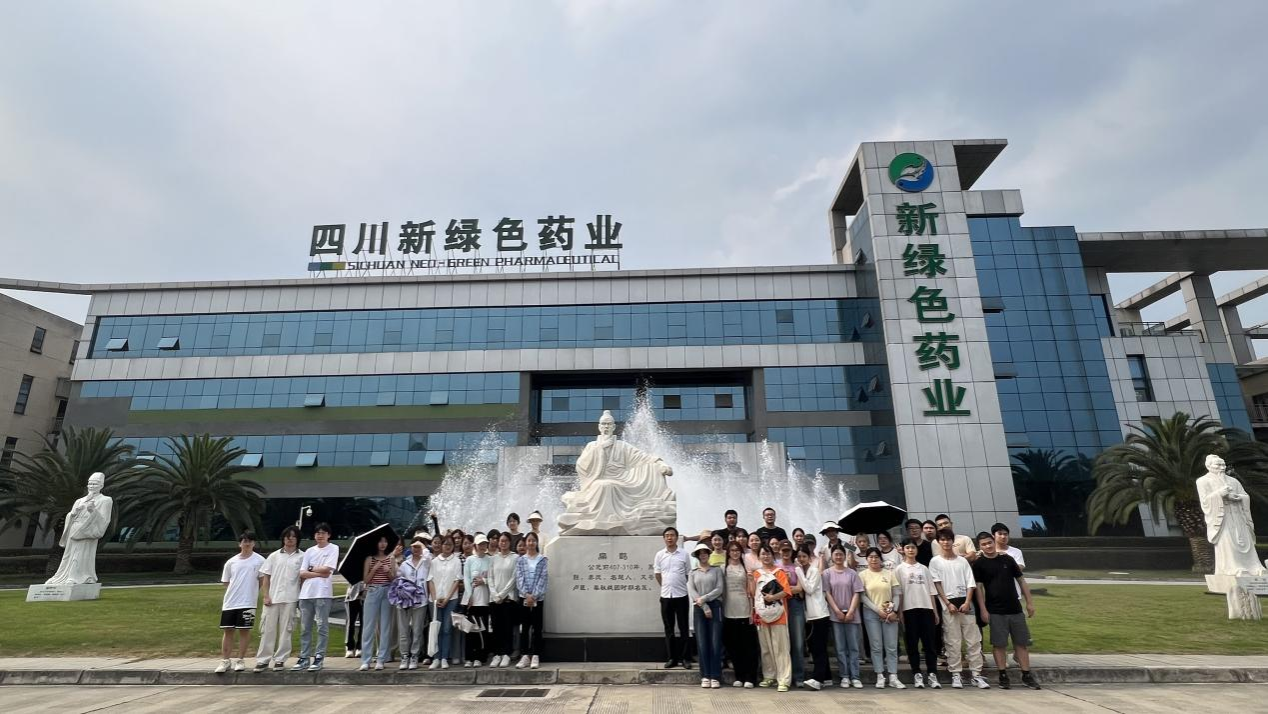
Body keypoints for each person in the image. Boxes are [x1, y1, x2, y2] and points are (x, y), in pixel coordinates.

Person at [973, 532, 1040, 690]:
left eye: (989, 542)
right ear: (980, 547)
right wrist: (983, 610)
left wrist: (1029, 603)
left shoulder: (1008, 560)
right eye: (984, 544)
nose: (988, 546)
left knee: (1021, 643)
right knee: (999, 644)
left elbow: (1021, 581)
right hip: (995, 610)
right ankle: (1003, 675)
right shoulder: (979, 564)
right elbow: (979, 588)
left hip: (1015, 609)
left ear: (993, 542)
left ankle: (1026, 675)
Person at [928, 528, 988, 689]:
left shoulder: (962, 561)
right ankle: (956, 673)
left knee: (973, 641)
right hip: (949, 606)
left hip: (966, 604)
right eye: (942, 539)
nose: (946, 542)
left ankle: (976, 674)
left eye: (948, 539)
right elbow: (937, 584)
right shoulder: (935, 562)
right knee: (952, 641)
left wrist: (967, 602)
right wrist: (947, 603)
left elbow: (970, 583)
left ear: (952, 541)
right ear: (938, 542)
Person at [1198, 454, 1267, 576]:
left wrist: (1238, 497)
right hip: (1223, 519)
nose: (1222, 467)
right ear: (1209, 466)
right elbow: (1205, 501)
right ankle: (1233, 567)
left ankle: (1253, 566)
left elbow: (1245, 496)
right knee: (1228, 542)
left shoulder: (1233, 481)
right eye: (1218, 465)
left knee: (1245, 541)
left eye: (1223, 464)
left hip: (1238, 517)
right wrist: (1220, 494)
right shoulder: (1203, 481)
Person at [45, 471, 112, 585]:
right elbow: (70, 515)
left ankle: (76, 576)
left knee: (81, 554)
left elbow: (105, 520)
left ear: (101, 485)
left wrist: (93, 511)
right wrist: (73, 514)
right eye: (90, 483)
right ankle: (61, 576)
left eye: (95, 484)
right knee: (68, 555)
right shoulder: (79, 501)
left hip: (87, 531)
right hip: (74, 528)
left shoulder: (105, 500)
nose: (92, 486)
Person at [254, 526, 304, 672]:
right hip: (273, 598)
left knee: (286, 630)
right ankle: (263, 660)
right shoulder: (274, 556)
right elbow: (266, 577)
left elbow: (303, 579)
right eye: (288, 536)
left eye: (293, 536)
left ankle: (280, 659)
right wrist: (266, 596)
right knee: (267, 630)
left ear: (297, 539)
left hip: (291, 598)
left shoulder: (302, 557)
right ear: (283, 538)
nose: (290, 539)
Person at [215, 531, 265, 673]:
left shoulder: (260, 561)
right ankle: (225, 660)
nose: (247, 544)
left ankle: (240, 660)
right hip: (230, 602)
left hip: (248, 602)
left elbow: (262, 580)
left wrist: (251, 592)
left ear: (254, 543)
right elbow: (226, 581)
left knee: (244, 630)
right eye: (244, 541)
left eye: (250, 541)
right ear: (240, 544)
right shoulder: (231, 562)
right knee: (228, 630)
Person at [896, 538, 941, 688]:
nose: (910, 550)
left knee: (929, 644)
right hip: (909, 610)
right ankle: (917, 673)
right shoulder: (899, 569)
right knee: (912, 644)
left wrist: (935, 612)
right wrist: (900, 612)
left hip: (926, 608)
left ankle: (932, 674)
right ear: (903, 550)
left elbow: (931, 591)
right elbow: (899, 593)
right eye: (907, 547)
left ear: (917, 550)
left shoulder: (924, 568)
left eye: (913, 547)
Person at [294, 523, 339, 672]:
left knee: (321, 626)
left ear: (328, 535)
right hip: (306, 594)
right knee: (305, 628)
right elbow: (302, 572)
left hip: (322, 593)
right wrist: (318, 572)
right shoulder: (309, 551)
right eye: (318, 533)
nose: (320, 535)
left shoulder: (333, 548)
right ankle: (304, 657)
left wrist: (311, 569)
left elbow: (328, 570)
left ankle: (319, 657)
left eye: (323, 533)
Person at [858, 547, 903, 689]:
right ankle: (880, 675)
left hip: (889, 613)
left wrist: (893, 610)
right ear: (867, 559)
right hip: (871, 613)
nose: (873, 559)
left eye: (876, 557)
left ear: (880, 558)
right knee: (876, 645)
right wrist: (877, 610)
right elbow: (862, 597)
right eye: (870, 557)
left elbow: (896, 593)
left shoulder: (889, 573)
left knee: (891, 646)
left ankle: (893, 676)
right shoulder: (862, 575)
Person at [822, 545, 864, 688]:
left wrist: (851, 611)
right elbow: (827, 593)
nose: (839, 557)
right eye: (836, 554)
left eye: (841, 554)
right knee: (840, 647)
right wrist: (837, 611)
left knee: (853, 647)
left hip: (852, 614)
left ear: (845, 556)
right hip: (836, 615)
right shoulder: (827, 573)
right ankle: (844, 676)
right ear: (832, 556)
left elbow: (857, 592)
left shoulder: (852, 573)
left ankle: (855, 676)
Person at [752, 545, 792, 692]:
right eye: (763, 554)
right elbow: (753, 593)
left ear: (772, 555)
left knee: (781, 648)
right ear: (759, 556)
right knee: (766, 648)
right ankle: (769, 675)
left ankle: (784, 679)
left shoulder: (779, 572)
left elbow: (786, 591)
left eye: (768, 553)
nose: (766, 556)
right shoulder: (756, 573)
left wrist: (773, 597)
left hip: (779, 615)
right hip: (762, 615)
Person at [722, 541, 759, 688]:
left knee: (748, 647)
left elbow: (751, 592)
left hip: (745, 610)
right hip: (729, 611)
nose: (735, 553)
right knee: (734, 647)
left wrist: (751, 611)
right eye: (732, 550)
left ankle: (750, 677)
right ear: (728, 552)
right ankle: (739, 675)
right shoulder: (723, 568)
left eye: (737, 550)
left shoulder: (746, 567)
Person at [654, 526, 692, 669]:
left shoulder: (684, 554)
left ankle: (685, 658)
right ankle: (672, 658)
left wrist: (678, 584)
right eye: (667, 535)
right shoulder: (659, 555)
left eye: (672, 535)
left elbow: (687, 574)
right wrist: (666, 585)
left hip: (681, 595)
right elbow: (657, 574)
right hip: (666, 596)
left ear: (677, 537)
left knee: (684, 628)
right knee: (669, 629)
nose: (669, 538)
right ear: (664, 538)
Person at [688, 541, 725, 689]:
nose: (703, 555)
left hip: (715, 606)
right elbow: (692, 591)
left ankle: (715, 675)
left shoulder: (716, 571)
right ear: (697, 556)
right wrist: (703, 606)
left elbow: (719, 589)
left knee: (715, 642)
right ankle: (705, 675)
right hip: (699, 608)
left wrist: (704, 599)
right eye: (700, 553)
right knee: (702, 643)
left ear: (709, 554)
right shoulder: (693, 572)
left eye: (705, 553)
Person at [358, 535, 398, 671]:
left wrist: (388, 572)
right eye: (380, 541)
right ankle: (366, 660)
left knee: (385, 626)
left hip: (387, 591)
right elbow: (366, 580)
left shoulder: (391, 559)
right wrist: (374, 569)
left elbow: (394, 579)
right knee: (368, 626)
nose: (383, 544)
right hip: (372, 590)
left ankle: (381, 658)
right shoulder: (369, 559)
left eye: (385, 541)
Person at [796, 545, 831, 691]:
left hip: (820, 614)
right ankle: (827, 678)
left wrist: (798, 572)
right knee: (815, 647)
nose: (801, 559)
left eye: (804, 556)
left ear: (809, 557)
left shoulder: (814, 571)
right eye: (799, 557)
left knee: (818, 648)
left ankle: (818, 679)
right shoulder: (805, 571)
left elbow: (809, 589)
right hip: (810, 616)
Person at [426, 535, 463, 670]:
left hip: (451, 599)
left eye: (450, 544)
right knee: (437, 628)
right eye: (445, 544)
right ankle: (436, 658)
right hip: (435, 600)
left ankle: (444, 658)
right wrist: (435, 598)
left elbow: (457, 581)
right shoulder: (434, 561)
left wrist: (447, 599)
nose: (447, 547)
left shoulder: (456, 561)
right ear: (441, 545)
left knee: (447, 629)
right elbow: (430, 580)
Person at [395, 535, 431, 670]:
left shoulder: (426, 562)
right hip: (405, 601)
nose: (416, 549)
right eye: (414, 546)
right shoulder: (405, 564)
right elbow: (397, 578)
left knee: (417, 630)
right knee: (404, 630)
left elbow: (428, 556)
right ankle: (404, 655)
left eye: (418, 547)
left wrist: (422, 546)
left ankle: (414, 655)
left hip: (420, 601)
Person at [514, 532, 548, 669]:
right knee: (525, 627)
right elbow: (519, 578)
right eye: (529, 540)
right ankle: (524, 655)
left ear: (536, 543)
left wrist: (534, 595)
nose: (531, 543)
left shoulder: (542, 559)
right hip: (524, 598)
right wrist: (526, 594)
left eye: (533, 540)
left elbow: (543, 578)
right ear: (526, 542)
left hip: (538, 599)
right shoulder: (520, 560)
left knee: (537, 627)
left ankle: (535, 655)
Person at [487, 532, 519, 668]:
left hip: (508, 599)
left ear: (510, 542)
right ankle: (497, 654)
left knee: (507, 627)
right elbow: (490, 578)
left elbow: (514, 578)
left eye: (506, 540)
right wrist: (495, 595)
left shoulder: (515, 557)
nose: (503, 543)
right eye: (501, 541)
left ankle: (506, 654)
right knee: (496, 628)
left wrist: (502, 595)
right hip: (494, 599)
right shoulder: (493, 558)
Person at [776, 541, 805, 687]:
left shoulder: (797, 568)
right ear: (779, 551)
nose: (786, 553)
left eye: (788, 550)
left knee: (798, 642)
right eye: (783, 550)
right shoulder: (776, 567)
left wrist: (786, 587)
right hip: (779, 604)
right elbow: (773, 588)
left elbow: (800, 588)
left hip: (795, 604)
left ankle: (798, 676)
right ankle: (783, 675)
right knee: (782, 643)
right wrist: (787, 587)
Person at [462, 533, 493, 668]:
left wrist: (484, 581)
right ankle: (469, 657)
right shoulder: (470, 560)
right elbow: (466, 578)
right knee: (470, 630)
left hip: (485, 599)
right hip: (472, 600)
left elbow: (493, 578)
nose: (483, 546)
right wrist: (470, 595)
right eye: (480, 544)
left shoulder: (490, 560)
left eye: (484, 544)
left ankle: (481, 657)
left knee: (482, 629)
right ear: (475, 545)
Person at [343, 581, 365, 659]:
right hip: (351, 596)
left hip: (365, 597)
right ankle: (349, 647)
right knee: (350, 623)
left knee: (364, 623)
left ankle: (360, 647)